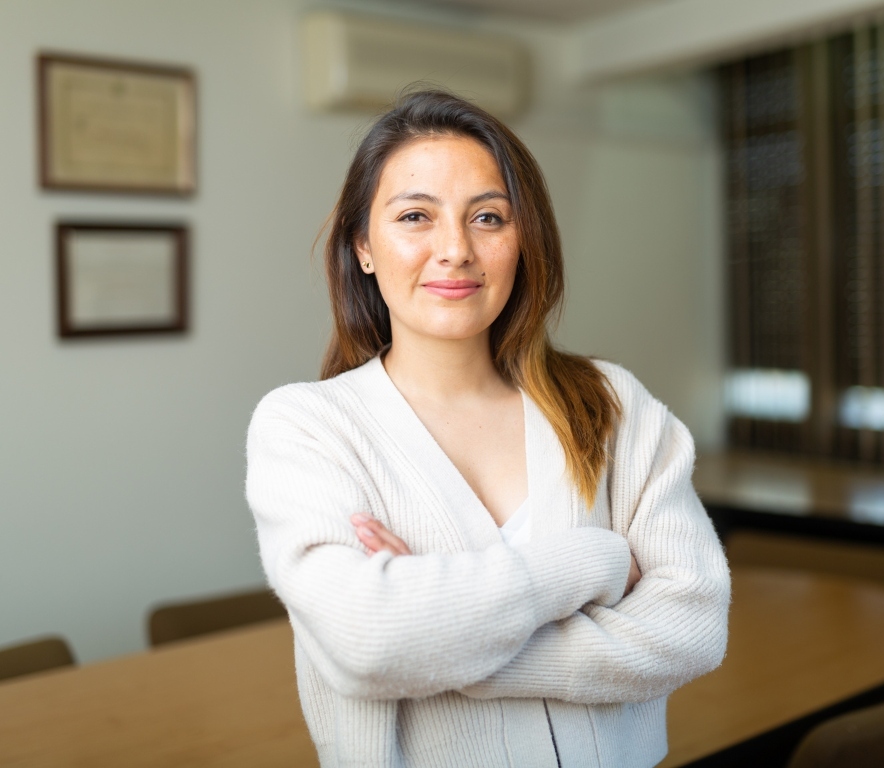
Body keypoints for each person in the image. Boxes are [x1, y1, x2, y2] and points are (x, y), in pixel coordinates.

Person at [246, 89, 730, 768]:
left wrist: (451, 643)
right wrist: (596, 563)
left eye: (488, 218)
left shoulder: (611, 404)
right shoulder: (308, 427)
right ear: (363, 246)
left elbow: (693, 628)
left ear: (522, 240)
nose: (455, 250)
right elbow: (368, 643)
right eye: (416, 215)